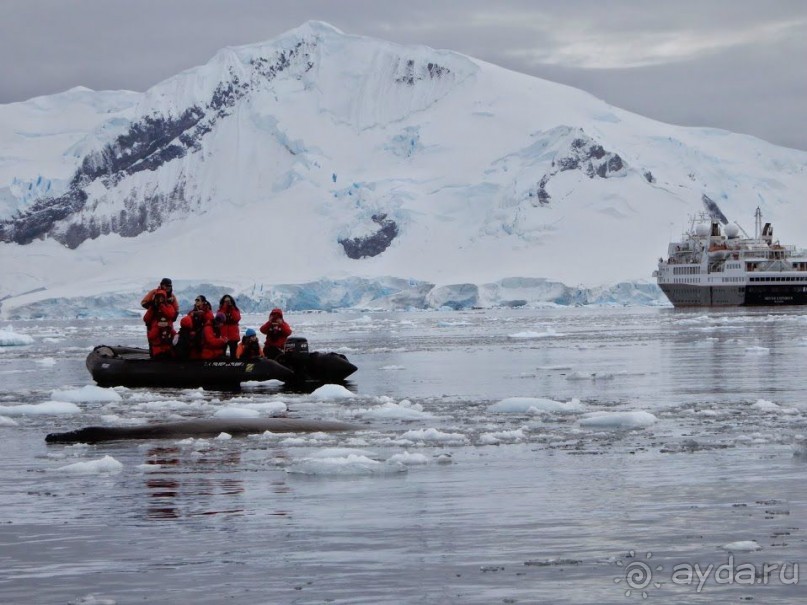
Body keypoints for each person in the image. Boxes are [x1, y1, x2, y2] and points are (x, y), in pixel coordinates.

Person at [175, 295, 213, 359]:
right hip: (192, 331)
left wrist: (203, 314)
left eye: (198, 300)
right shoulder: (192, 311)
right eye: (196, 300)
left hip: (202, 331)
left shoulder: (207, 311)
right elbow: (187, 320)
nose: (196, 301)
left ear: (203, 302)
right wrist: (194, 314)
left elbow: (210, 321)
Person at [142, 289, 176, 358]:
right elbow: (146, 319)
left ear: (165, 298)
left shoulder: (169, 307)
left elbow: (171, 315)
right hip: (157, 342)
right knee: (158, 357)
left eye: (162, 297)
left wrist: (162, 306)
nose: (160, 299)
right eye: (158, 297)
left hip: (167, 340)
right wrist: (152, 309)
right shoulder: (153, 308)